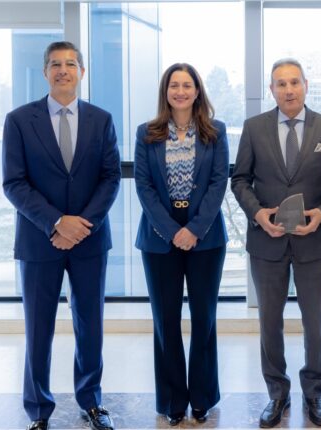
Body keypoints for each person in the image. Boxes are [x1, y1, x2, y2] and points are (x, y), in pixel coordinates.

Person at [2, 41, 120, 430]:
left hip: (89, 241)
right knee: (39, 329)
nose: (63, 70)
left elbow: (110, 178)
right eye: (55, 64)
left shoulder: (101, 120)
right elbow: (14, 183)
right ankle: (38, 409)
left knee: (91, 326)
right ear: (45, 72)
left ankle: (92, 402)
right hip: (39, 241)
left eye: (71, 63)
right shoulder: (19, 120)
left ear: (82, 72)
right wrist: (56, 222)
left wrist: (81, 224)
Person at [231, 58, 321, 428]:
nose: (288, 90)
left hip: (313, 242)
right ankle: (277, 393)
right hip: (266, 243)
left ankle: (314, 394)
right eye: (280, 84)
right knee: (270, 322)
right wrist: (258, 214)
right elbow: (240, 180)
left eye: (294, 82)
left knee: (315, 323)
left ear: (305, 85)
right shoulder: (254, 128)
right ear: (272, 90)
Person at [134, 63, 229, 426]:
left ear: (197, 91)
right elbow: (144, 186)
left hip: (206, 237)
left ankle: (202, 398)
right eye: (174, 85)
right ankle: (173, 400)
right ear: (166, 92)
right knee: (166, 321)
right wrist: (172, 231)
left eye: (187, 85)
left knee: (204, 319)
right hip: (159, 238)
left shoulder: (216, 131)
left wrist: (194, 229)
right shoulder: (147, 133)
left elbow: (219, 183)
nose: (180, 91)